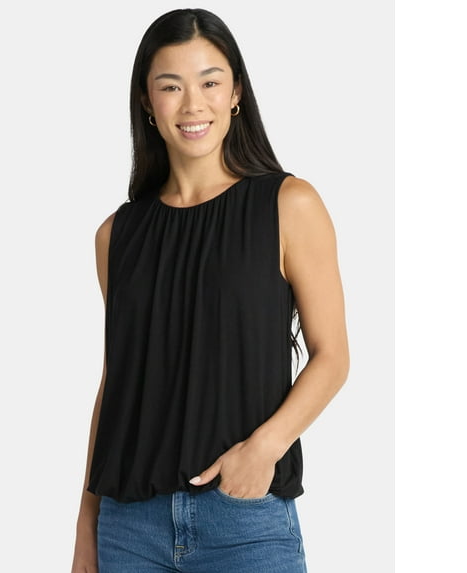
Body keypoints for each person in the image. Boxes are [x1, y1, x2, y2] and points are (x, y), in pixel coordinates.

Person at [70, 8, 349, 573]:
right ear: (147, 102)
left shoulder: (289, 205)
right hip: (129, 530)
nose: (192, 104)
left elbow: (333, 357)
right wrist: (86, 524)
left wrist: (264, 449)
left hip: (245, 523)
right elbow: (117, 383)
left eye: (210, 82)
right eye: (171, 86)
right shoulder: (116, 235)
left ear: (236, 93)